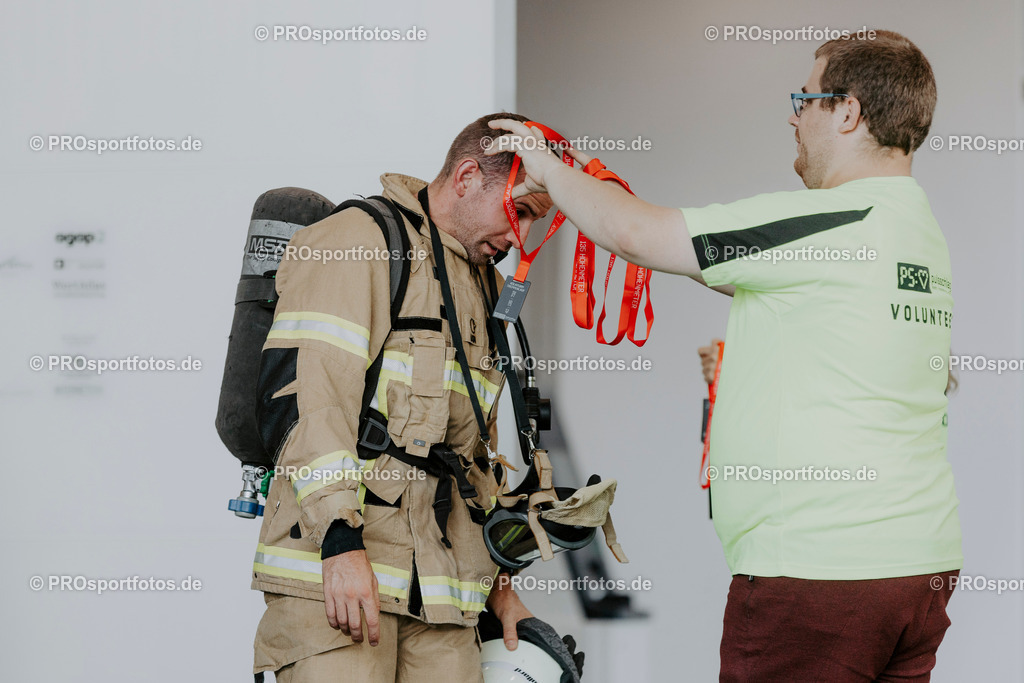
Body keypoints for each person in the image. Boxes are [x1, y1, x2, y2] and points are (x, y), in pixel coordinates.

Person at [490, 30, 961, 681]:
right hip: (919, 567)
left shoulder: (834, 221)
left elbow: (637, 232)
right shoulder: (917, 232)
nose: (793, 118)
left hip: (822, 576)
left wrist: (546, 168)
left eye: (805, 99)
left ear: (848, 111)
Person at [250, 112, 554, 682]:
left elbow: (469, 458)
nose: (523, 237)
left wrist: (499, 588)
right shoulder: (356, 241)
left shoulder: (481, 283)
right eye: (520, 213)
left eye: (537, 220)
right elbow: (311, 401)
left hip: (443, 596)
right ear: (467, 177)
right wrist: (339, 543)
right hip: (337, 582)